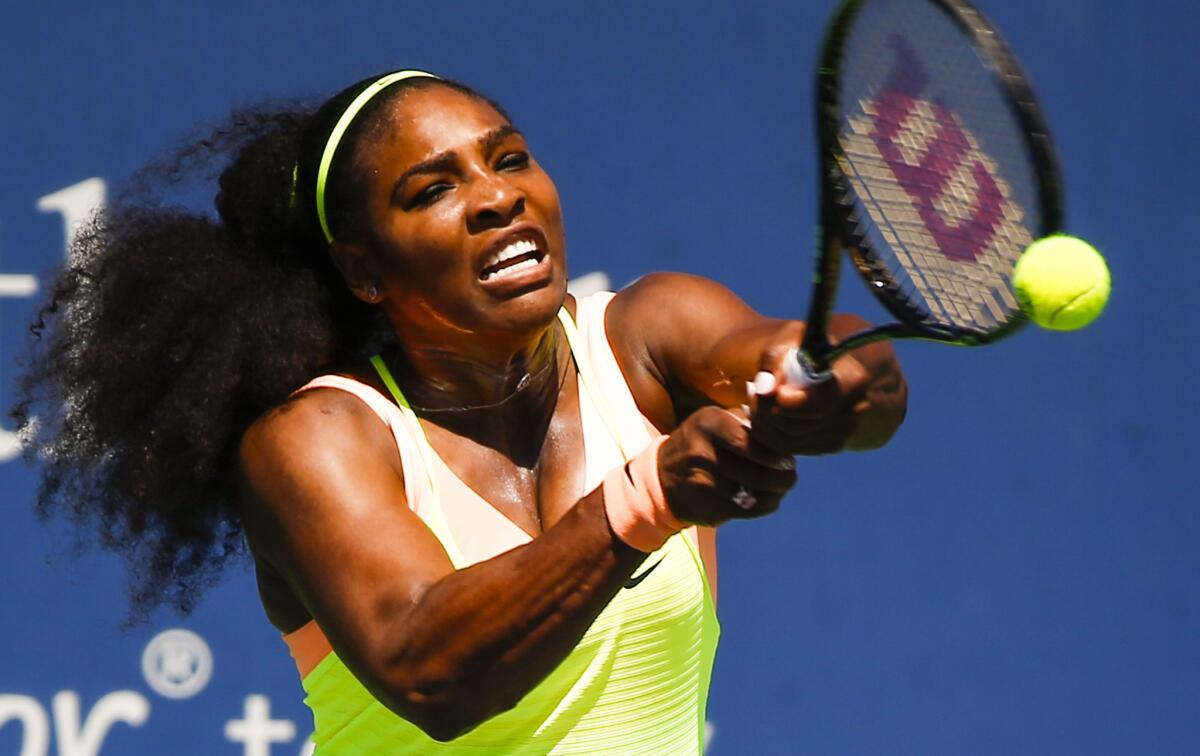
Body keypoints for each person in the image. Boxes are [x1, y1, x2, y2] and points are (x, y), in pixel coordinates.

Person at [14, 70, 906, 753]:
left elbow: (848, 364)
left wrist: (824, 382)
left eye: (509, 158)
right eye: (432, 190)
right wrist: (649, 494)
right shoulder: (315, 440)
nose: (496, 196)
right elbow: (429, 668)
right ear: (365, 271)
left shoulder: (648, 336)